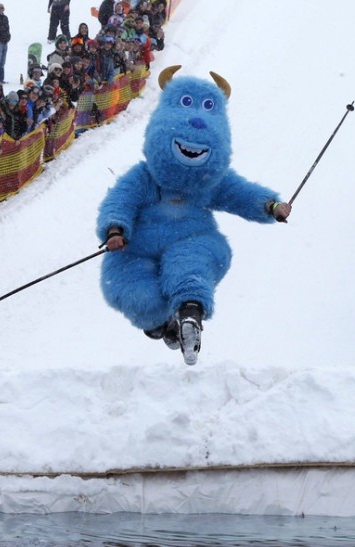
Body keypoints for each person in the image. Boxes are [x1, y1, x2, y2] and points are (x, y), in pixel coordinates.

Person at [96, 66, 290, 366]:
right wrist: (115, 229)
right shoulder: (145, 178)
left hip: (191, 239)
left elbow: (242, 194)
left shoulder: (210, 183)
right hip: (137, 249)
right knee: (135, 292)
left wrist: (270, 206)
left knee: (190, 263)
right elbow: (120, 200)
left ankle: (190, 311)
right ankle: (163, 324)